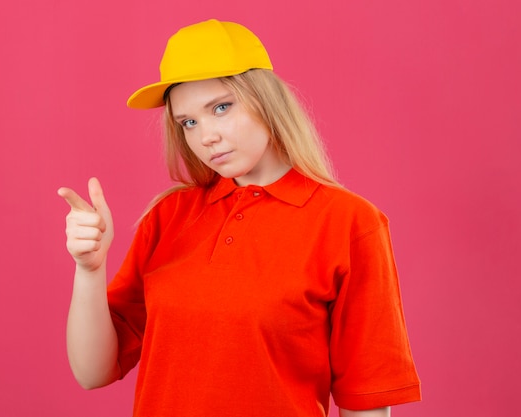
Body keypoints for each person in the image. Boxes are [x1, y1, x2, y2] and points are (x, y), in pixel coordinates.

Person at [58, 19, 421, 417]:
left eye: (221, 108)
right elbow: (92, 372)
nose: (205, 136)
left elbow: (365, 399)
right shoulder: (168, 218)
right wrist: (89, 270)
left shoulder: (349, 222)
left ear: (266, 100)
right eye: (189, 123)